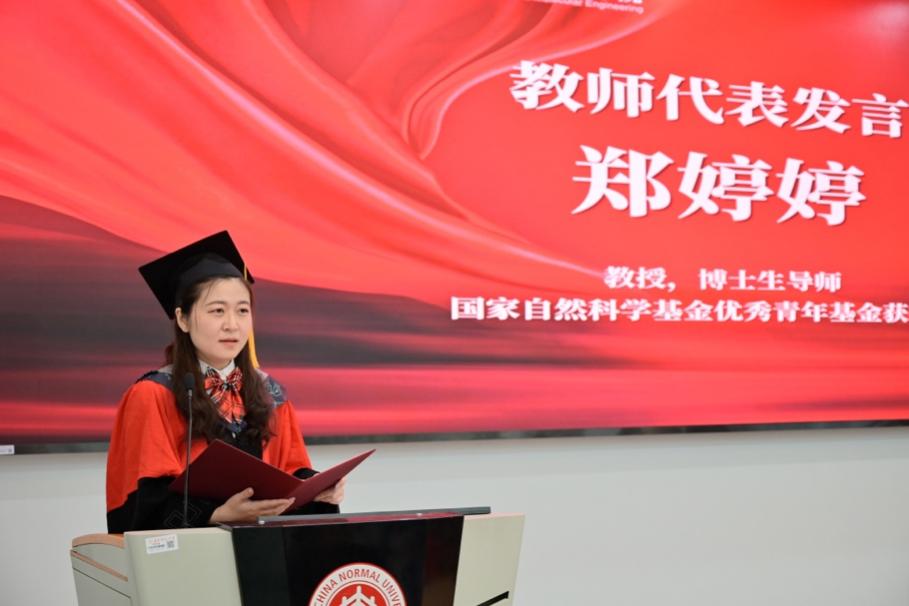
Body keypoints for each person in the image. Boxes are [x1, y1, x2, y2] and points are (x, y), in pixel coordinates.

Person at [106, 231, 343, 533]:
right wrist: (215, 514)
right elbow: (143, 501)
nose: (232, 325)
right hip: (194, 556)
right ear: (183, 319)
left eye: (242, 311)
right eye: (217, 311)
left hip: (260, 548)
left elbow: (291, 470)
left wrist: (317, 487)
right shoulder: (153, 394)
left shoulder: (270, 394)